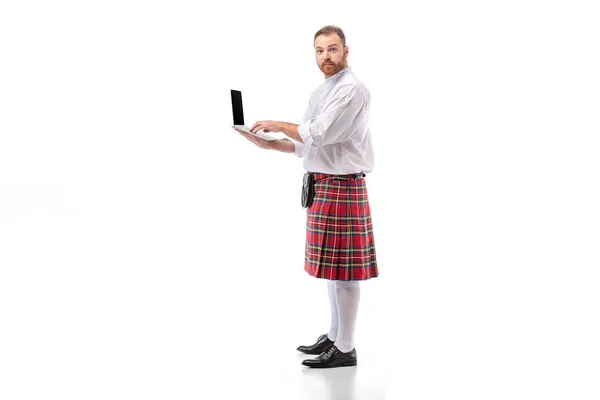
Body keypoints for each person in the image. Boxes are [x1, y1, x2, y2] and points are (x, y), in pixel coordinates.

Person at [232, 25, 379, 368]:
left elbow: (321, 133)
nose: (325, 57)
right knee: (333, 271)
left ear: (346, 51)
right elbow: (304, 144)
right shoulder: (322, 90)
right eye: (319, 51)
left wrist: (279, 124)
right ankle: (334, 335)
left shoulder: (352, 90)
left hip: (342, 185)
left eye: (331, 49)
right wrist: (269, 144)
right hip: (323, 184)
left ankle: (345, 347)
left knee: (344, 273)